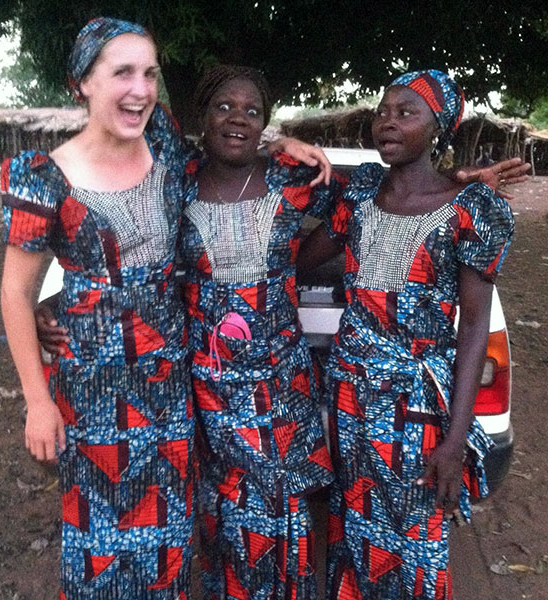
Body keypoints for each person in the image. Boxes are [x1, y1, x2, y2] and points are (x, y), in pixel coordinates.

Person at [298, 70, 515, 599]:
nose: (387, 122)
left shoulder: (472, 210)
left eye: (406, 112)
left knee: (415, 533)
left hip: (415, 408)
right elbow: (307, 260)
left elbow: (473, 329)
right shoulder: (363, 194)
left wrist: (456, 438)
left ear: (438, 126)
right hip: (350, 398)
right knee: (354, 526)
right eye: (382, 111)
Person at [0, 18, 197, 599]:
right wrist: (38, 403)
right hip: (91, 395)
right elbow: (15, 293)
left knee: (169, 539)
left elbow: (233, 146)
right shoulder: (44, 179)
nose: (140, 89)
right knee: (100, 542)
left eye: (149, 74)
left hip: (167, 386)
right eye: (122, 73)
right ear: (82, 83)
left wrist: (285, 143)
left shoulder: (164, 151)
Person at [179, 65, 346, 599]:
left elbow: (369, 204)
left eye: (253, 112)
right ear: (203, 117)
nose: (238, 119)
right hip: (209, 387)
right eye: (224, 107)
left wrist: (456, 183)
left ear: (265, 123)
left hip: (281, 385)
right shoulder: (175, 183)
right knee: (225, 508)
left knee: (282, 508)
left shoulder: (292, 179)